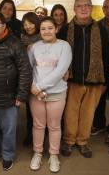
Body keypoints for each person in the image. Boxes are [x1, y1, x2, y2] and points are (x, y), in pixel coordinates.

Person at [0, 11, 32, 171]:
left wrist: (21, 95)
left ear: (4, 26)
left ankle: (8, 155)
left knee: (9, 130)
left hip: (9, 97)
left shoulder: (14, 43)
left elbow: (25, 70)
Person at [61, 0, 109, 158]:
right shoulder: (66, 30)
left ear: (91, 8)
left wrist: (105, 81)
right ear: (74, 9)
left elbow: (106, 55)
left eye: (87, 5)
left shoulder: (100, 29)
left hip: (94, 80)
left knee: (88, 113)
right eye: (80, 5)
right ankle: (68, 141)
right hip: (72, 80)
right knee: (70, 112)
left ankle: (82, 141)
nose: (83, 8)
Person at [28, 17, 72, 172]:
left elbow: (61, 71)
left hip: (56, 92)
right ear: (39, 31)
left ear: (56, 29)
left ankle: (54, 155)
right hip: (36, 94)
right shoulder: (34, 47)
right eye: (43, 29)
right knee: (38, 125)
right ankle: (37, 152)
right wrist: (33, 86)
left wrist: (39, 86)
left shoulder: (64, 46)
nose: (46, 31)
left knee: (54, 126)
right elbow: (29, 68)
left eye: (50, 28)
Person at [91, 0, 109, 146]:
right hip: (101, 67)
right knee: (99, 98)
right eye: (106, 7)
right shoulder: (97, 25)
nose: (108, 10)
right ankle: (99, 124)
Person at [21, 12, 41, 147]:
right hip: (28, 78)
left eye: (31, 23)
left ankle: (41, 135)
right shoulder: (21, 39)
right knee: (30, 110)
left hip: (42, 77)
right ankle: (30, 134)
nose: (28, 27)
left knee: (42, 109)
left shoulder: (43, 37)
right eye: (25, 24)